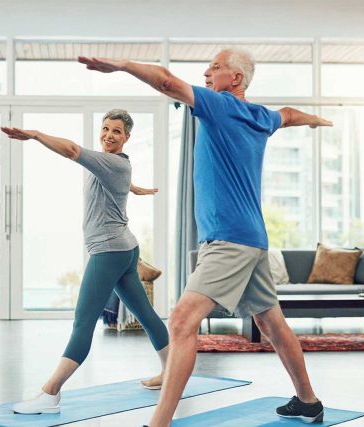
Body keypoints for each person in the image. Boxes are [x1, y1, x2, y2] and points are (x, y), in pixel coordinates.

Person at [79, 49, 333, 426]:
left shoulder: (220, 105)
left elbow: (166, 81)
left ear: (236, 79)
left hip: (229, 239)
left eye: (215, 67)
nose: (207, 72)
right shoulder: (261, 116)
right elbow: (290, 114)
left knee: (181, 321)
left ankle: (159, 423)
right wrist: (313, 120)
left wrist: (122, 65)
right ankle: (308, 401)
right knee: (271, 322)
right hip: (252, 239)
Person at [1, 109, 169, 414]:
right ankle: (172, 372)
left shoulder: (109, 162)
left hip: (108, 252)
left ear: (126, 137)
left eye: (117, 131)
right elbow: (116, 177)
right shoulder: (115, 163)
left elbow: (73, 150)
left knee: (83, 323)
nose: (109, 135)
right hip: (125, 248)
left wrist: (36, 135)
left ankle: (50, 394)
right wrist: (134, 188)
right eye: (105, 129)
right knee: (145, 313)